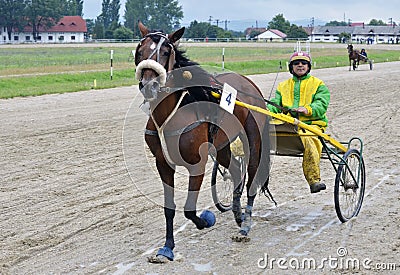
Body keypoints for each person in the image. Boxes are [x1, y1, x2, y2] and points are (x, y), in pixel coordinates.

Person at [267, 51, 330, 193]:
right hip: (287, 124)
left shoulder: (319, 85)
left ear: (308, 66)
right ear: (291, 67)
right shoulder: (282, 86)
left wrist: (307, 109)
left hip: (311, 126)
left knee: (309, 140)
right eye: (296, 63)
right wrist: (265, 109)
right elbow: (275, 105)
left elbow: (321, 105)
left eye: (303, 63)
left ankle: (314, 180)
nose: (300, 65)